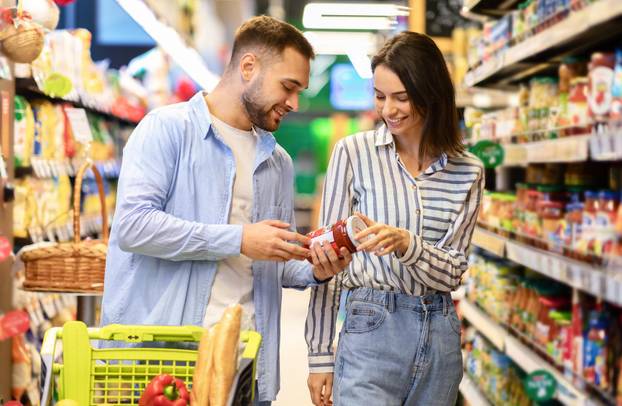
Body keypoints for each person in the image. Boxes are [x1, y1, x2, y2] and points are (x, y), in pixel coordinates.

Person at [101, 16, 352, 405]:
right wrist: (238, 238)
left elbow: (271, 263)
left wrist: (316, 269)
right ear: (248, 67)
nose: (295, 103)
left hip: (245, 363)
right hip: (166, 360)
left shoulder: (277, 162)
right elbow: (133, 228)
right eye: (288, 87)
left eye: (300, 91)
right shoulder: (167, 130)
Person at [305, 31, 485, 406]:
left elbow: (453, 272)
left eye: (401, 97)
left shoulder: (468, 171)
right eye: (380, 96)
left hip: (440, 334)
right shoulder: (354, 153)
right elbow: (329, 260)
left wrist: (407, 245)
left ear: (431, 92)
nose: (389, 110)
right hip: (370, 326)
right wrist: (320, 354)